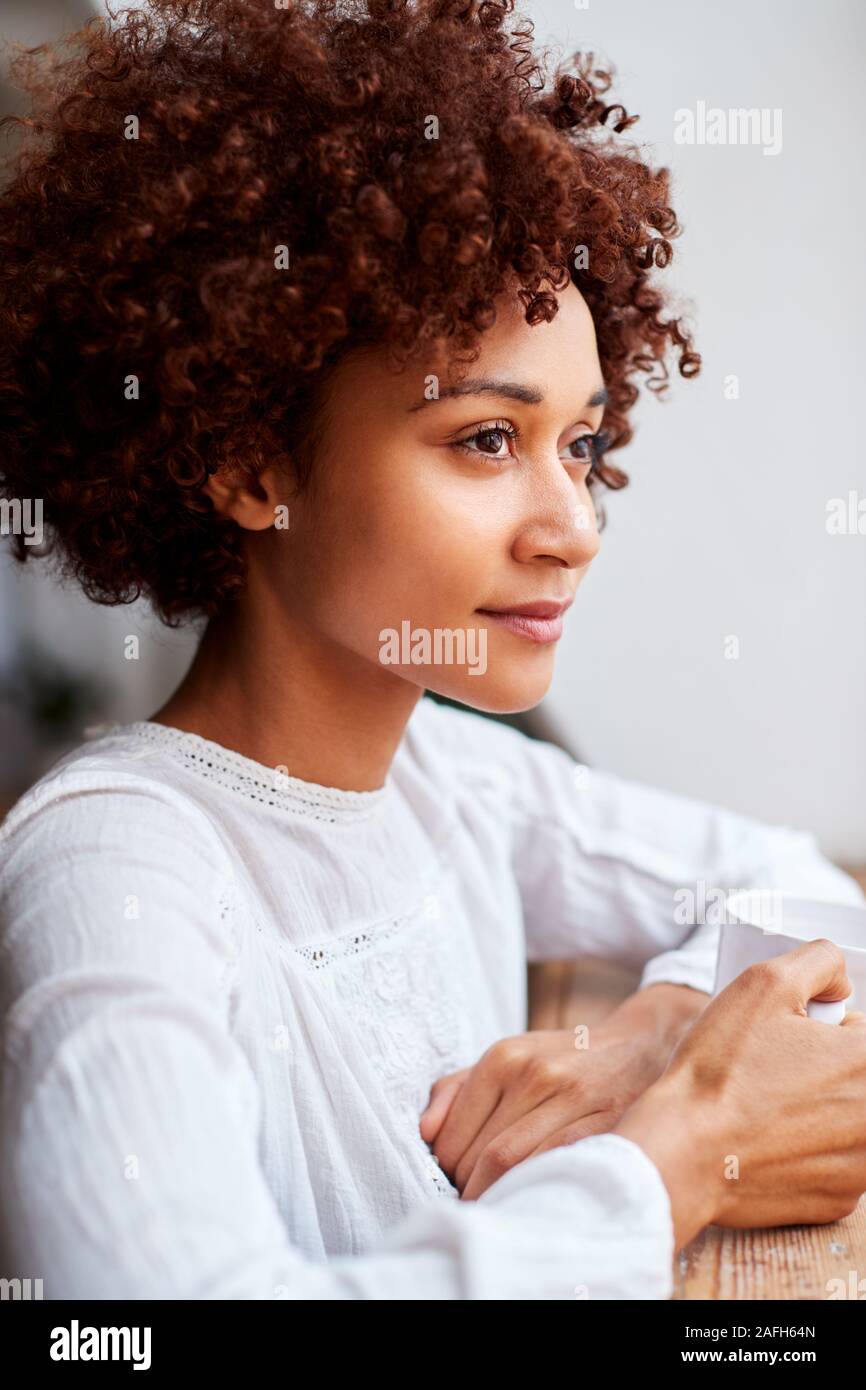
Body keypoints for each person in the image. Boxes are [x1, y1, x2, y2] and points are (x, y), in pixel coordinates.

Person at [1, 0, 864, 1300]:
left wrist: (652, 1038)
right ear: (249, 462)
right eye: (482, 440)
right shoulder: (116, 859)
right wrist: (670, 1160)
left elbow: (793, 883)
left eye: (579, 445)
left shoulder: (450, 780)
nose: (572, 526)